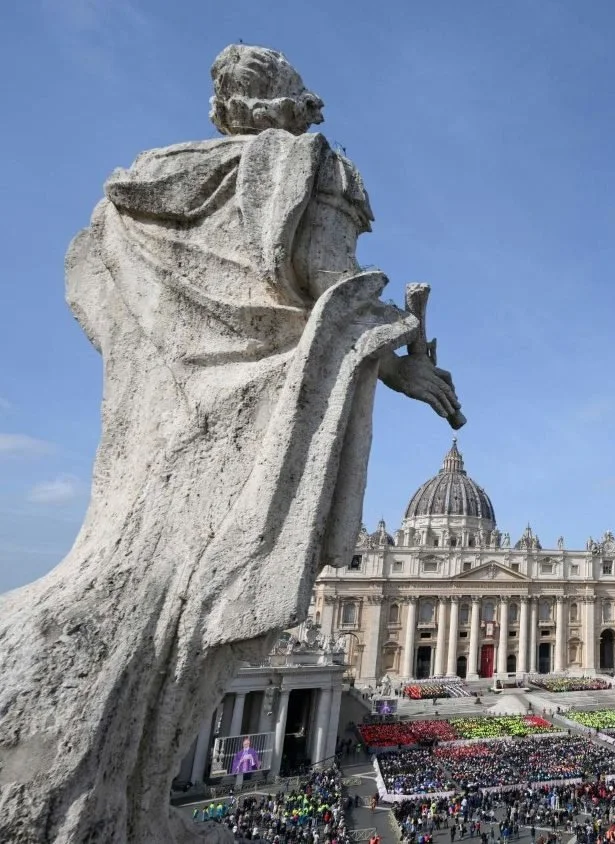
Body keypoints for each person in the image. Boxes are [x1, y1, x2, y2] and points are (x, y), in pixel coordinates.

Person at [0, 43, 465, 843]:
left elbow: (94, 291)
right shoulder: (312, 168)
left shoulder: (139, 189)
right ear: (297, 104)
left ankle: (115, 797)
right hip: (255, 416)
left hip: (167, 407)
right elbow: (327, 281)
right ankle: (111, 797)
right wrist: (395, 362)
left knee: (141, 582)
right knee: (193, 606)